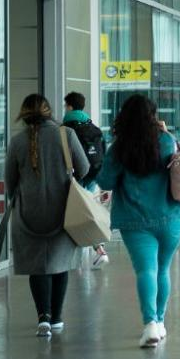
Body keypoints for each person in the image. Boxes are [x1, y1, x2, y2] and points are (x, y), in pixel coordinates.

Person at [94, 93, 180, 348]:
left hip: (135, 222)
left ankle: (150, 325)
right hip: (170, 218)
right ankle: (160, 321)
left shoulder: (119, 148)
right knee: (163, 269)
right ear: (152, 117)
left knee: (146, 270)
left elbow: (106, 181)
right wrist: (165, 132)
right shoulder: (166, 141)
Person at [3, 93, 88, 338]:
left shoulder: (17, 142)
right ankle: (58, 318)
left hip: (29, 215)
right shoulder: (66, 135)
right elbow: (83, 168)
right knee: (60, 265)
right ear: (49, 111)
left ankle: (43, 318)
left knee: (37, 267)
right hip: (62, 212)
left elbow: (10, 182)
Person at [60, 91, 109, 269]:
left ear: (70, 106)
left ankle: (82, 256)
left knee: (76, 214)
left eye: (66, 105)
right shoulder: (93, 127)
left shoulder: (67, 129)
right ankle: (99, 249)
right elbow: (104, 152)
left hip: (75, 176)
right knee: (87, 211)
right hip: (93, 175)